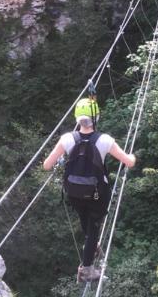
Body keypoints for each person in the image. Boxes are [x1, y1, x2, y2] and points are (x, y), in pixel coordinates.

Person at [43, 98, 136, 282]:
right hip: (96, 194)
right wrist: (132, 156)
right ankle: (87, 270)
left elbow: (47, 165)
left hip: (74, 193)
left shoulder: (67, 139)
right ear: (97, 117)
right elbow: (128, 162)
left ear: (77, 118)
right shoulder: (105, 140)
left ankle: (92, 246)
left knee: (86, 221)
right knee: (93, 228)